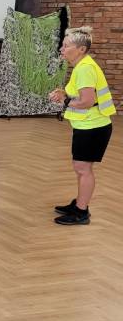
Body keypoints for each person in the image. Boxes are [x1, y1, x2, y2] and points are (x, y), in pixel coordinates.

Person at [48, 26, 116, 225]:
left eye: (66, 46)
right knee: (81, 168)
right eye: (63, 45)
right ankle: (80, 203)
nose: (62, 49)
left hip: (93, 127)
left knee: (83, 168)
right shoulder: (82, 66)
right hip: (88, 126)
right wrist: (64, 93)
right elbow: (79, 95)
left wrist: (64, 101)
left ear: (81, 49)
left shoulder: (85, 68)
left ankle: (81, 212)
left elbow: (87, 101)